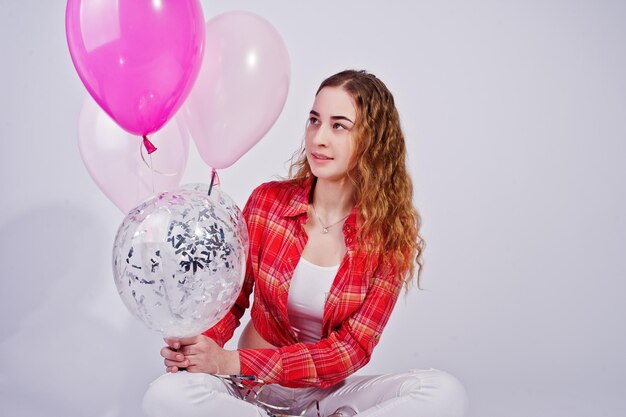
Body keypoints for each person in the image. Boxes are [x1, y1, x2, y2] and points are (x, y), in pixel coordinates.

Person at [142, 70, 468, 417]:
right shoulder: (268, 202)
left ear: (372, 140)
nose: (319, 138)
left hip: (325, 397)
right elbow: (232, 299)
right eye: (314, 121)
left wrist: (230, 360)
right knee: (164, 396)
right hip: (250, 389)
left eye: (339, 126)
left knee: (444, 394)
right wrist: (201, 348)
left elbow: (351, 349)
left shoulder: (389, 235)